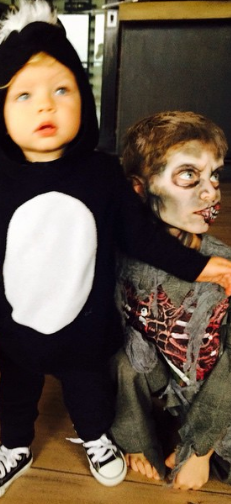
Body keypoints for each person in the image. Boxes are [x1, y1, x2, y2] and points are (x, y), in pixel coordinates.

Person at [0, 0, 231, 501]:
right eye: (24, 96)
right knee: (17, 393)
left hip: (84, 326)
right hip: (19, 324)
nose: (46, 106)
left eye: (62, 90)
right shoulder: (0, 182)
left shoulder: (102, 175)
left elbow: (141, 237)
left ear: (85, 99)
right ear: (0, 116)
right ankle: (13, 447)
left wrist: (201, 266)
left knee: (90, 391)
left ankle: (97, 437)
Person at [111, 110, 231, 491]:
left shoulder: (224, 271)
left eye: (215, 175)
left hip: (217, 394)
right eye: (189, 175)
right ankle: (137, 439)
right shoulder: (121, 258)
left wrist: (200, 451)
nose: (211, 192)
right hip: (166, 381)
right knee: (121, 358)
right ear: (139, 187)